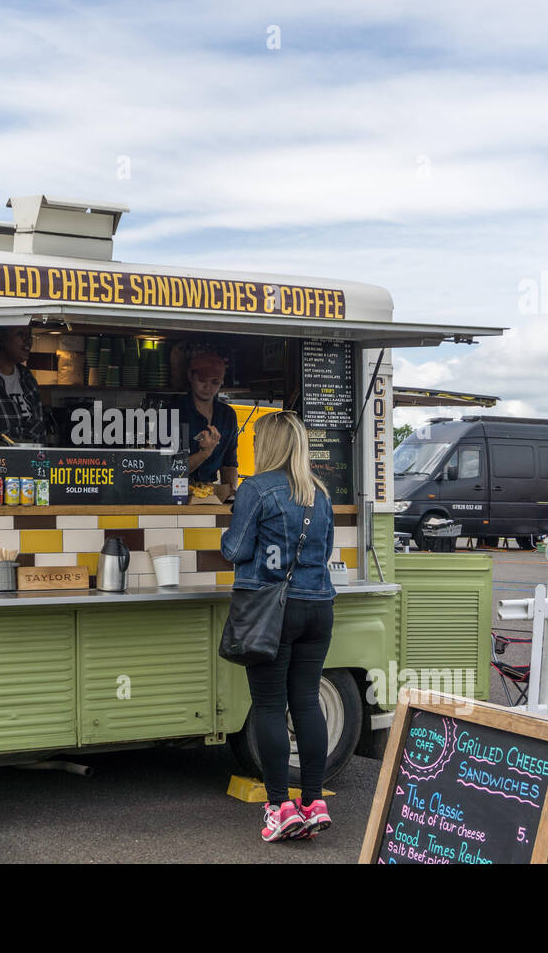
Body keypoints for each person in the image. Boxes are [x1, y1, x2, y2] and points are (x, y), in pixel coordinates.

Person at [219, 411, 335, 842]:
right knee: (306, 701)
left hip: (272, 610)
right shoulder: (318, 493)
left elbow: (235, 549)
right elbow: (322, 556)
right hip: (318, 607)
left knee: (268, 706)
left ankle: (279, 807)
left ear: (266, 444)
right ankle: (313, 802)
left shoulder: (256, 488)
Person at [173, 349, 239, 501]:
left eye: (215, 382)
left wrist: (231, 493)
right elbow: (168, 470)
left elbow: (229, 463)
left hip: (211, 493)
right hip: (175, 493)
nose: (208, 387)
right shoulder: (173, 411)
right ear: (190, 375)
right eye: (202, 380)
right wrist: (204, 453)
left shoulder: (228, 415)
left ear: (222, 381)